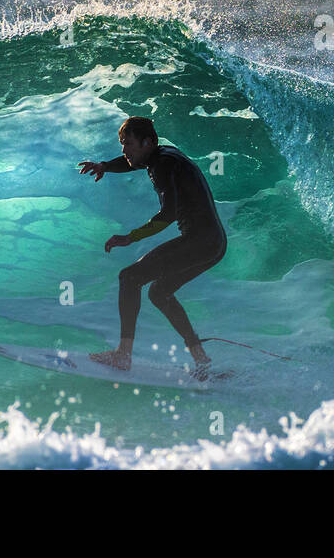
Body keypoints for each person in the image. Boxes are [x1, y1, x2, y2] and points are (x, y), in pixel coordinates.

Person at [78, 116, 226, 378]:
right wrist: (104, 166)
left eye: (128, 144)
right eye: (123, 144)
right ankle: (201, 359)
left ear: (147, 143)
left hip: (200, 241)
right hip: (214, 243)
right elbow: (130, 163)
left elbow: (168, 214)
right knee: (159, 293)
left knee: (130, 277)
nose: (124, 150)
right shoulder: (164, 156)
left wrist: (130, 237)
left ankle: (123, 355)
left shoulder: (161, 165)